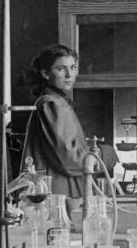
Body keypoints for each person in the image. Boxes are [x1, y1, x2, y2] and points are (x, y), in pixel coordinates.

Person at [19, 44, 92, 205]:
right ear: (45, 73)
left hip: (61, 187)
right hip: (60, 191)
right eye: (61, 69)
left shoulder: (57, 101)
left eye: (73, 67)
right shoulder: (51, 104)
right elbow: (71, 157)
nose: (69, 74)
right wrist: (104, 155)